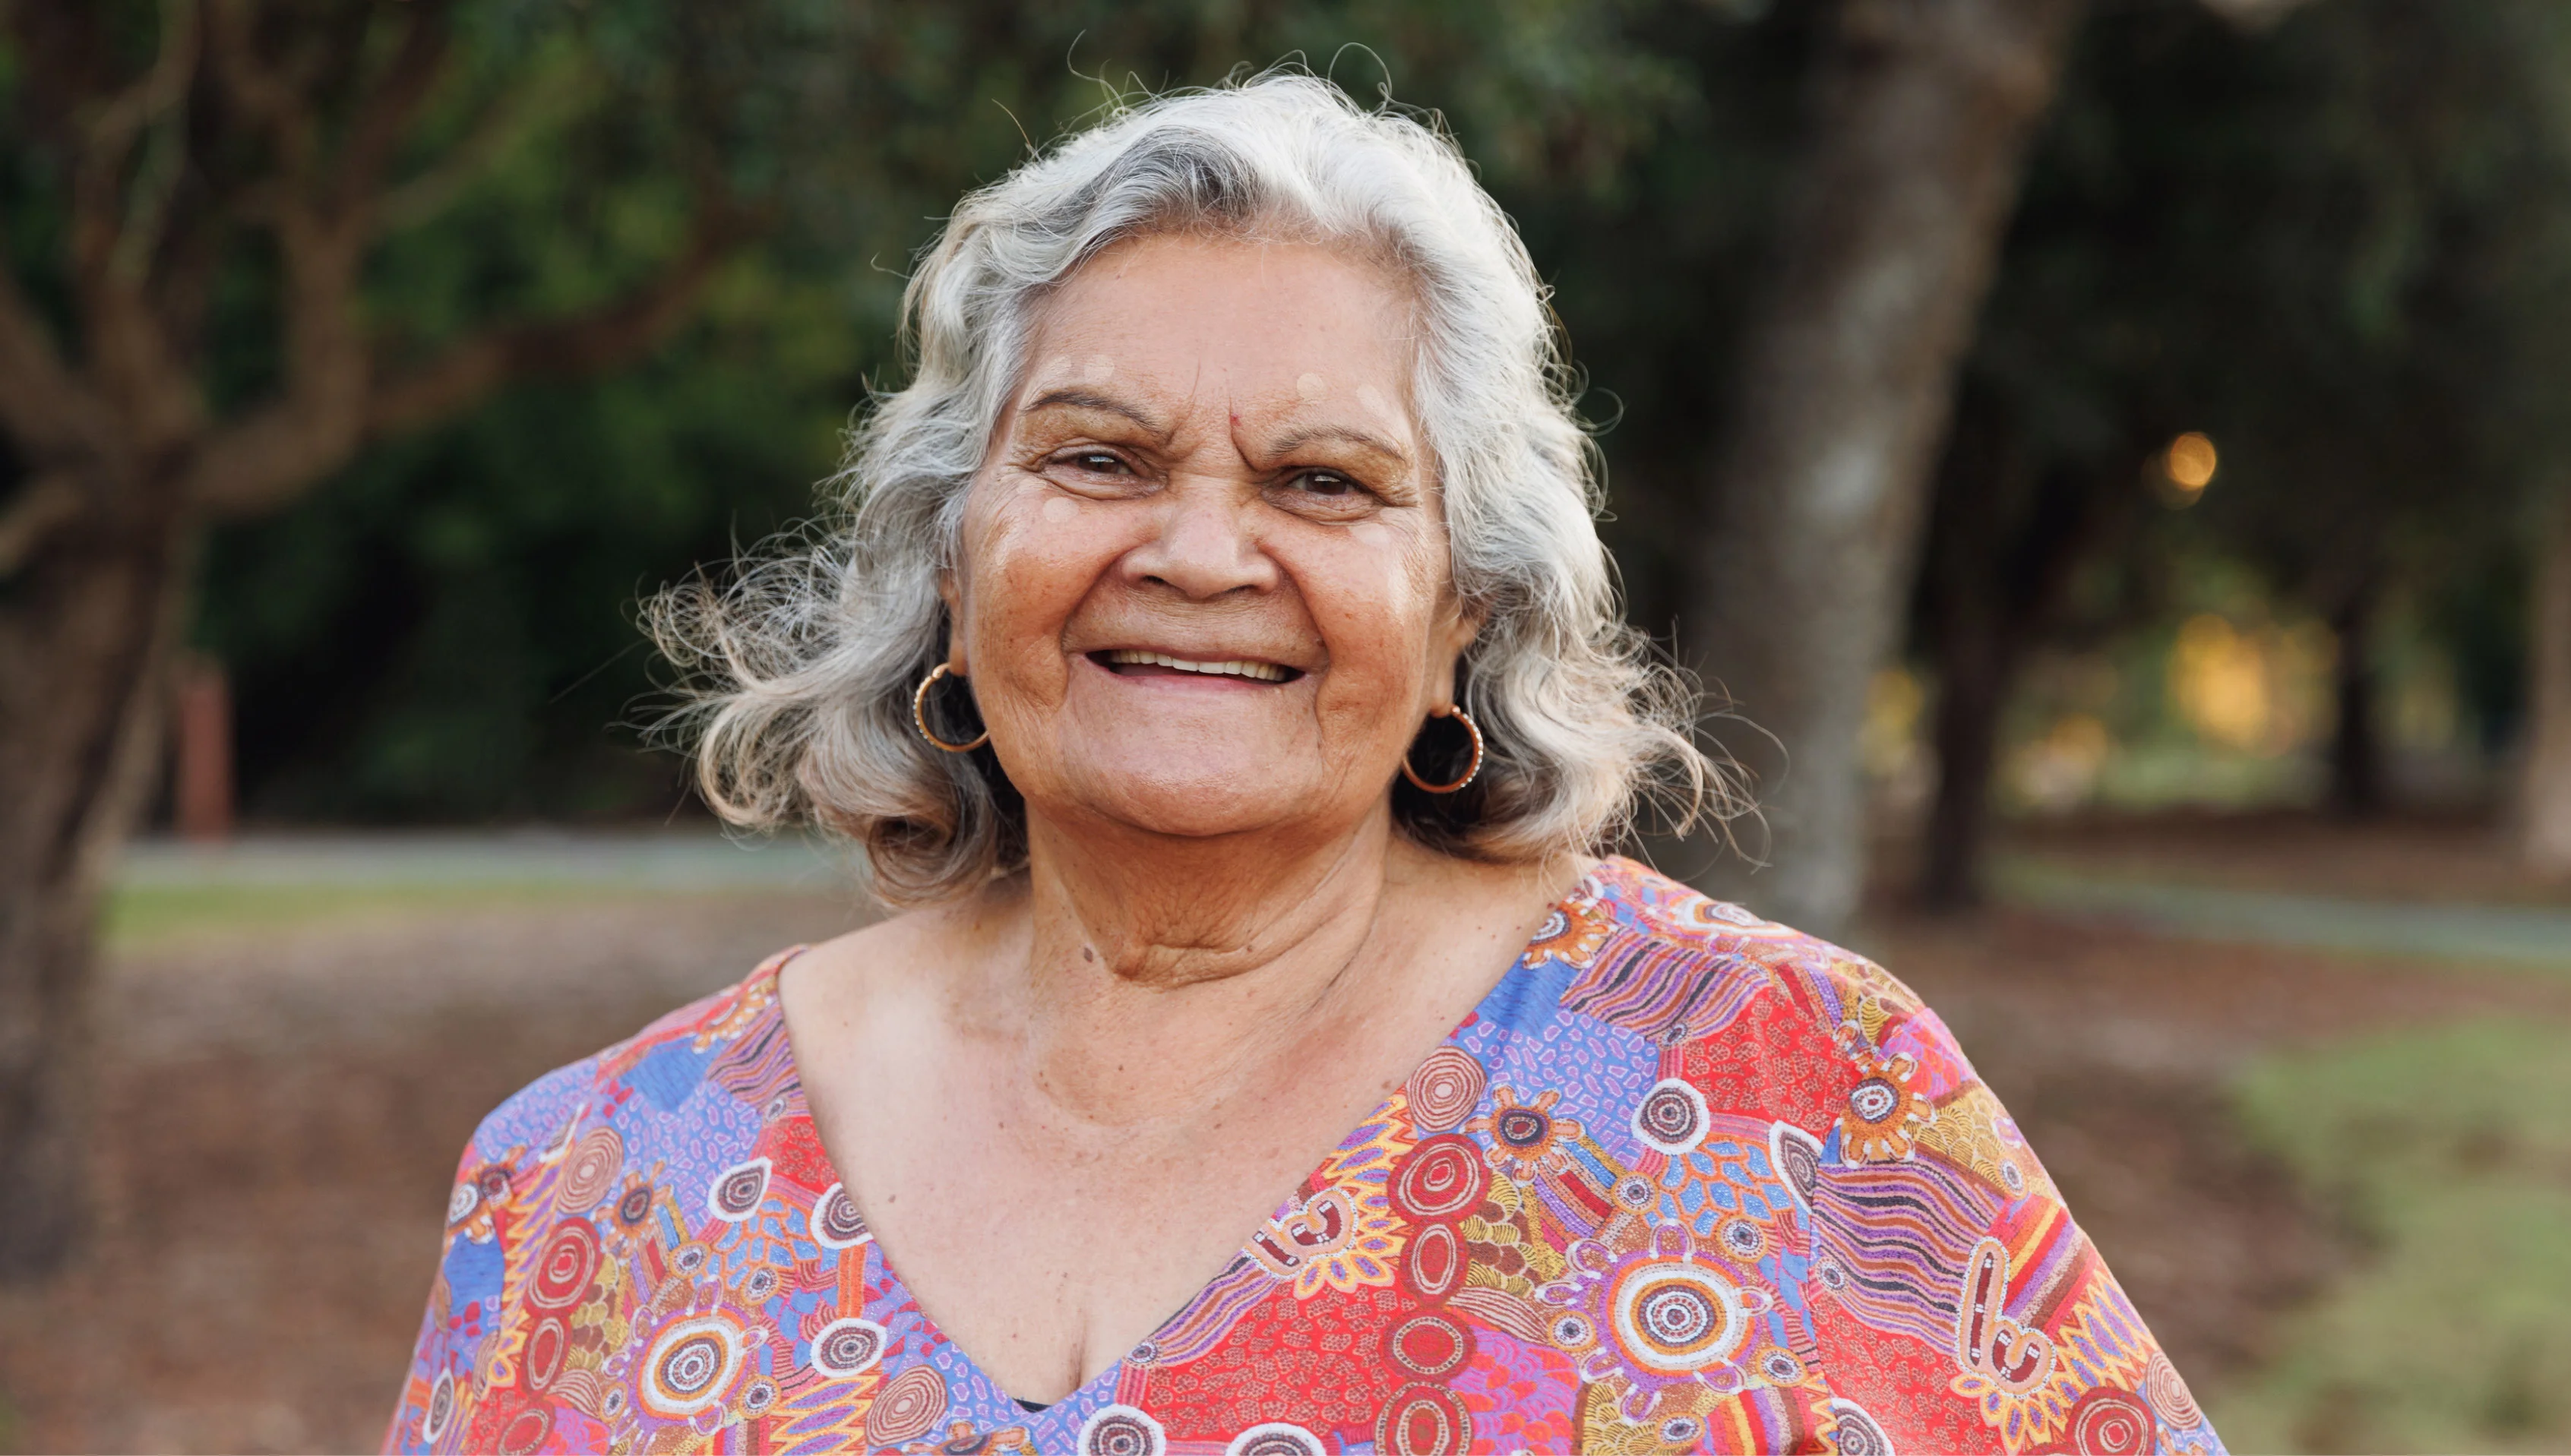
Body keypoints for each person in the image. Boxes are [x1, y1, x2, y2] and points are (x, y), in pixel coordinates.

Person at [387, 76, 2220, 1456]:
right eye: (1097, 457)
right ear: (951, 567)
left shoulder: (1791, 1098)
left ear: (1465, 617)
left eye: (1322, 482)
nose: (1198, 551)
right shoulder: (596, 1182)